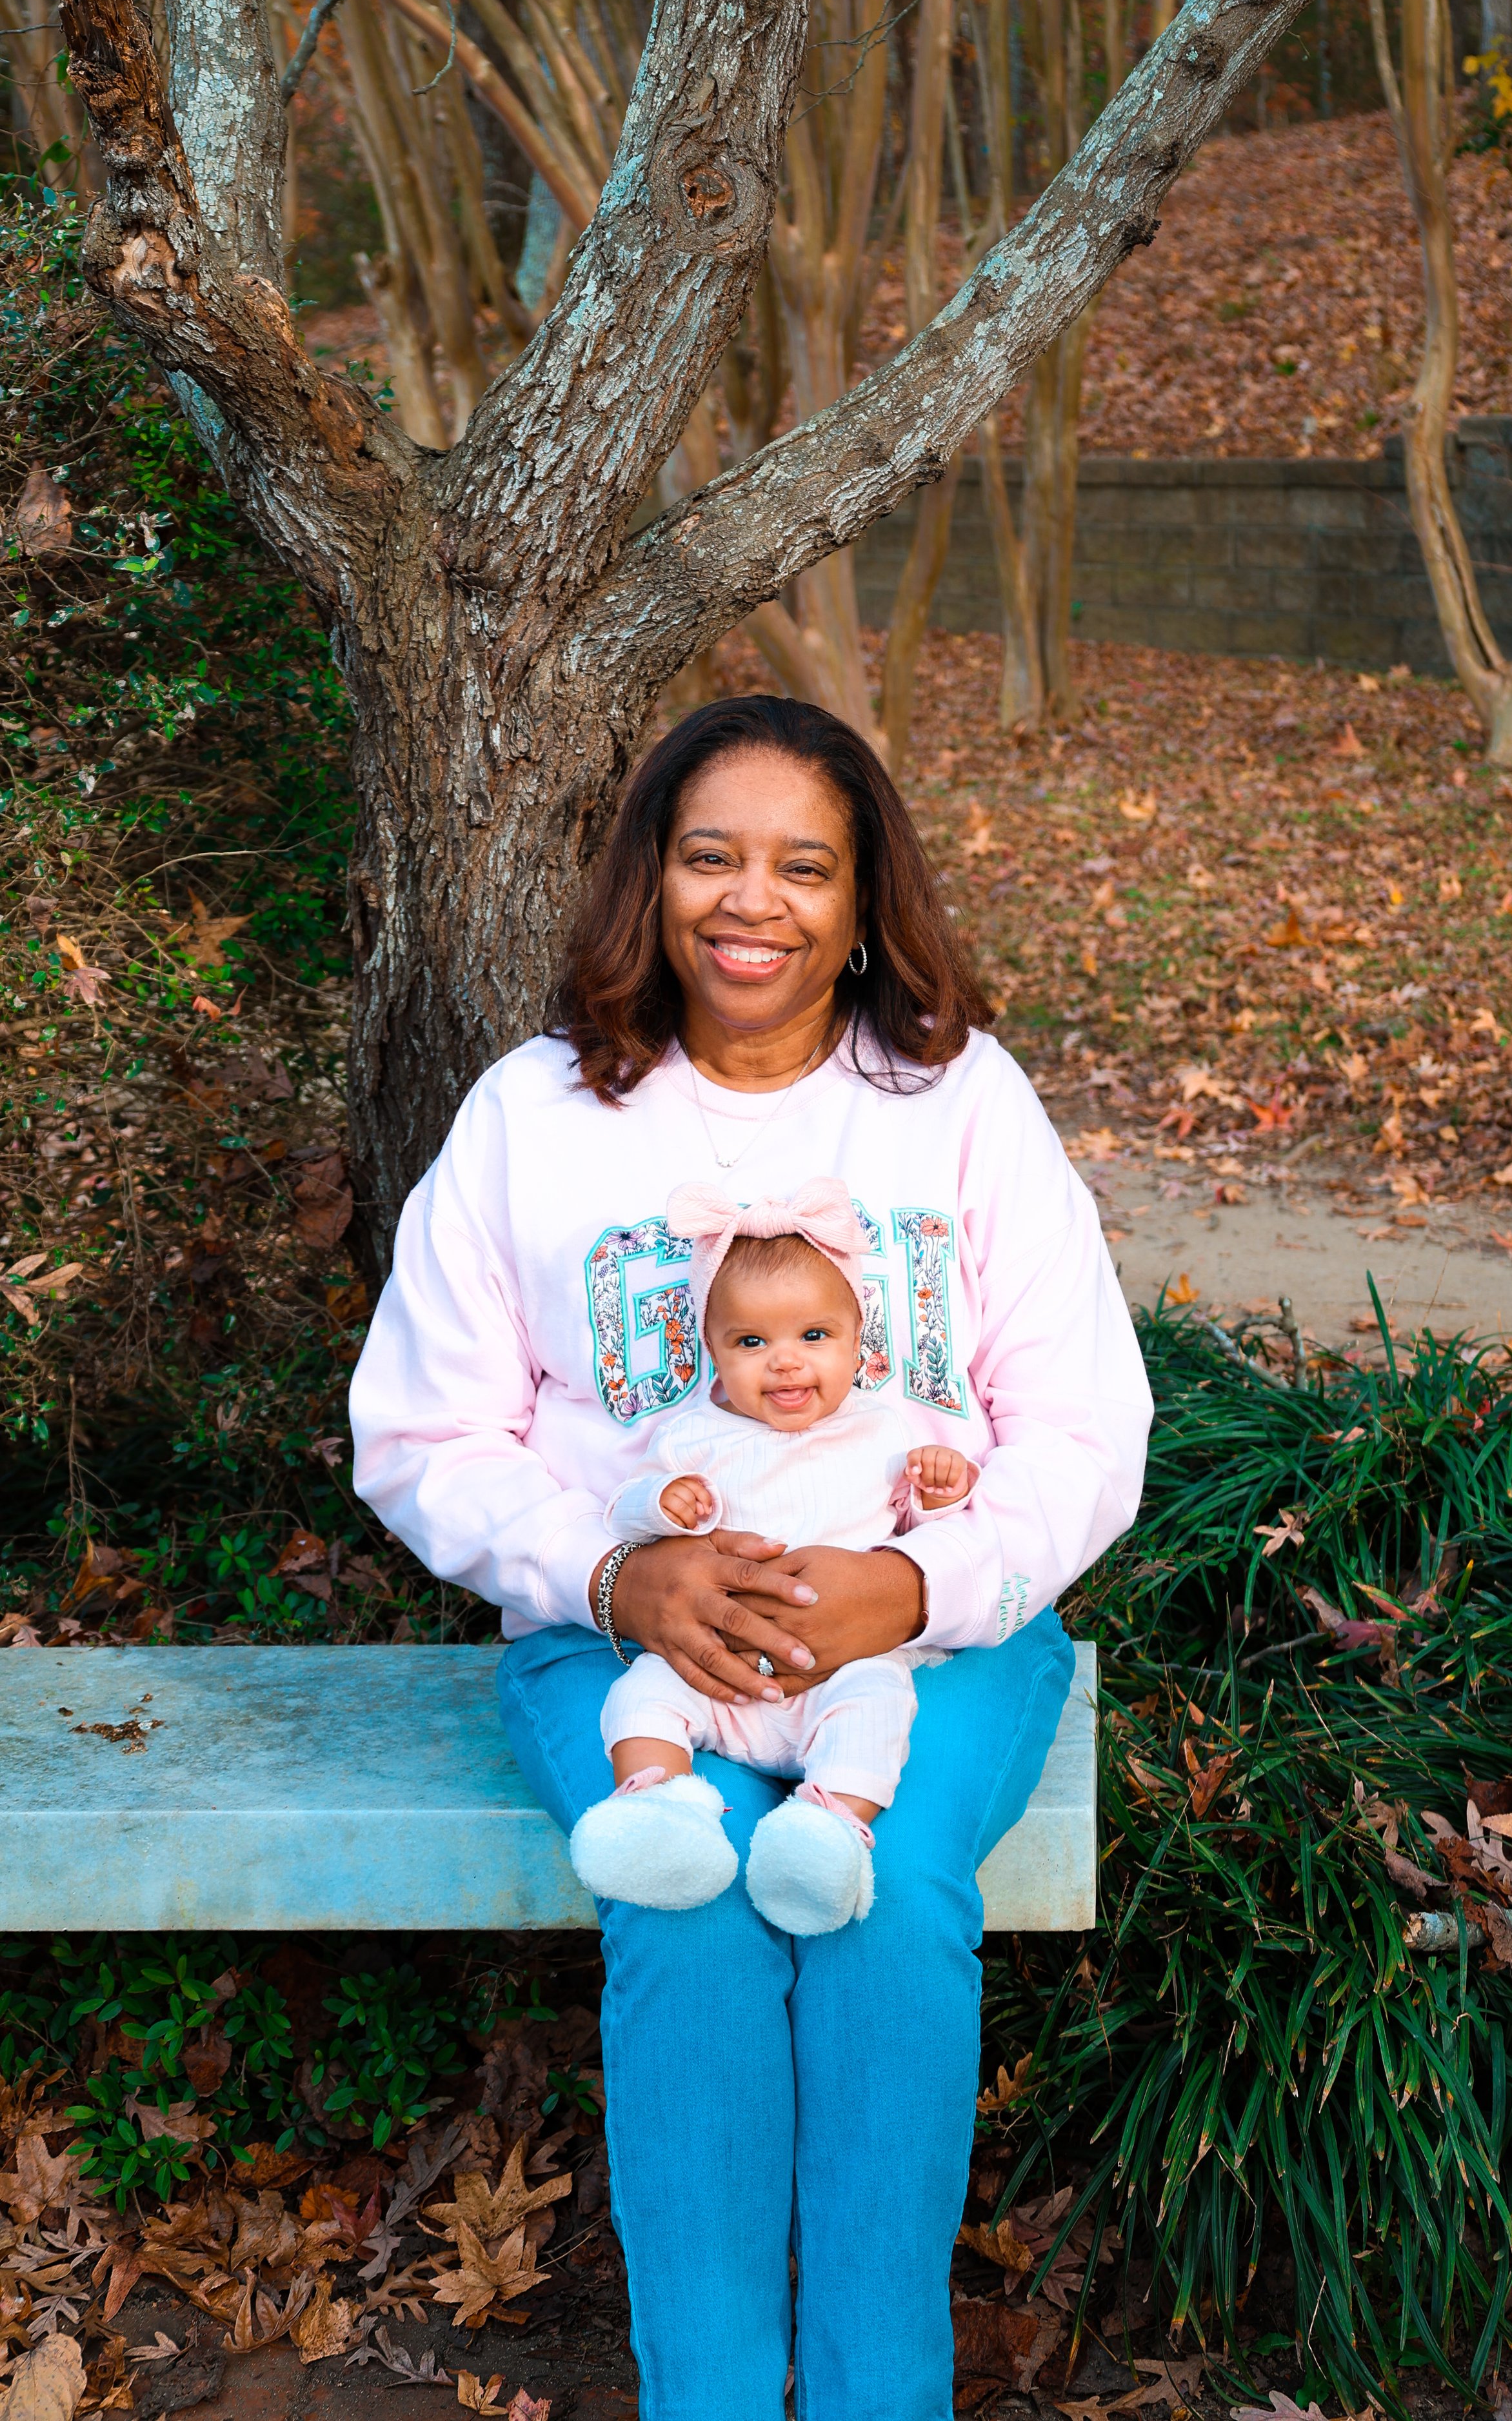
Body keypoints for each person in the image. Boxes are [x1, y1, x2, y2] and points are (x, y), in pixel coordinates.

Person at [350, 693, 1152, 2421]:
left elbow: (1086, 1424)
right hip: (630, 1646)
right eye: (710, 855)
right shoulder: (535, 1116)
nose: (751, 901)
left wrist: (924, 1586)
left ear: (861, 907)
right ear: (650, 880)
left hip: (932, 1638)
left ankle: (879, 2398)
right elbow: (418, 1431)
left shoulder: (952, 1104)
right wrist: (612, 1574)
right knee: (689, 1898)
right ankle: (707, 2395)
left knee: (878, 1895)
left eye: (803, 866)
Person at [568, 1173, 980, 1937]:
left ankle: (827, 1828)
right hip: (717, 1668)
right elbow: (622, 1513)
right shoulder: (694, 1439)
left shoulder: (882, 1432)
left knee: (880, 1702)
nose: (785, 1362)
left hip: (837, 1665)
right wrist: (661, 1502)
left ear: (859, 1340)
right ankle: (656, 1805)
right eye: (752, 1342)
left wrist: (941, 1489)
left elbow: (917, 1530)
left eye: (813, 1337)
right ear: (714, 1351)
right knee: (644, 1689)